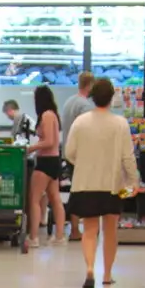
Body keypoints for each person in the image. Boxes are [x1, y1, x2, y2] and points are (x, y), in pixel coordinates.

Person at [63, 77, 142, 288]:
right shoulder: (120, 124)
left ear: (92, 96)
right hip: (112, 184)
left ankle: (90, 268)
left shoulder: (80, 122)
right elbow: (128, 156)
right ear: (111, 98)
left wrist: (84, 162)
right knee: (110, 230)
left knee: (89, 229)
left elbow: (69, 152)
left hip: (85, 183)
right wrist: (134, 181)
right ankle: (106, 274)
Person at [26, 84, 66, 249]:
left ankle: (34, 237)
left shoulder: (47, 115)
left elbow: (49, 141)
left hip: (46, 162)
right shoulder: (53, 115)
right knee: (55, 198)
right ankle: (59, 236)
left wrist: (30, 148)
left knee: (34, 199)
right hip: (54, 160)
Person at [59, 72, 96, 241]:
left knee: (76, 189)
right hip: (82, 155)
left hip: (68, 152)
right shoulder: (85, 105)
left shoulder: (68, 102)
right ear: (89, 85)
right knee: (83, 192)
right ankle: (77, 229)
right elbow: (88, 132)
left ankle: (74, 227)